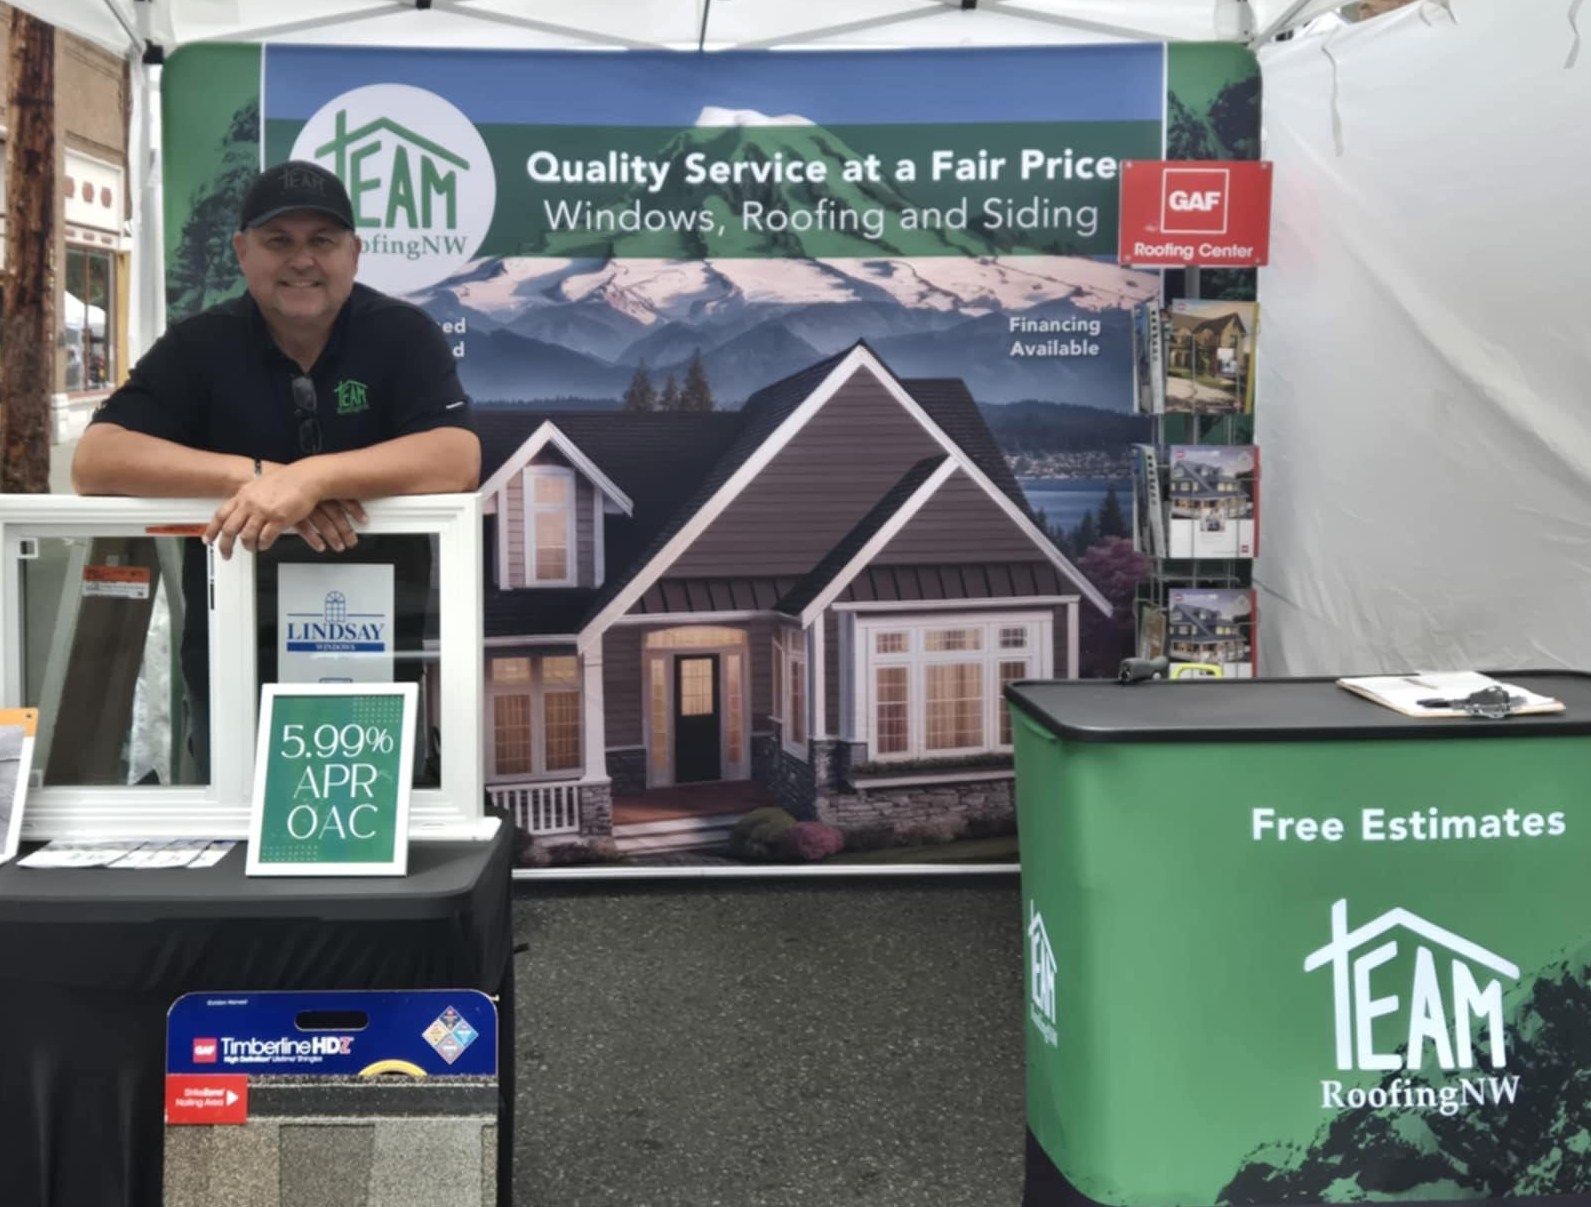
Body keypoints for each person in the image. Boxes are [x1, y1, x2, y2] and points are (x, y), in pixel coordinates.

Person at [73, 160, 480, 773]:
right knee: (235, 821)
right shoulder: (199, 344)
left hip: (378, 641)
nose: (302, 260)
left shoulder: (402, 335)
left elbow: (456, 456)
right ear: (242, 251)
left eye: (322, 241)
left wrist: (312, 479)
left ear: (355, 253)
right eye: (278, 241)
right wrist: (258, 476)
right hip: (234, 646)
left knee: (365, 821)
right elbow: (97, 460)